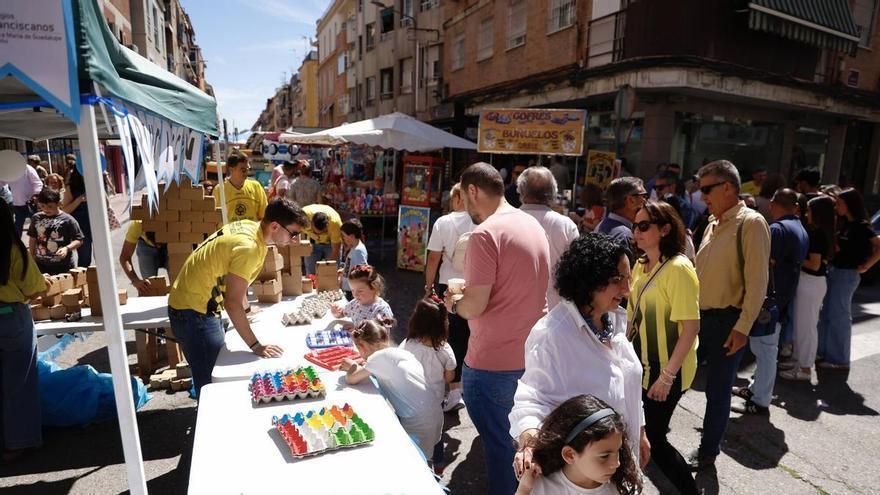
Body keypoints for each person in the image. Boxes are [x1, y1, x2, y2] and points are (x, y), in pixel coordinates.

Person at [443, 162, 550, 495]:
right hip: (532, 357)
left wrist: (452, 303)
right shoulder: (532, 224)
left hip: (493, 363)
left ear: (472, 191)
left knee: (505, 453)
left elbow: (475, 304)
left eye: (463, 196)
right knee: (522, 449)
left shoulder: (485, 233)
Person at [510, 234, 648, 484]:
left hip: (620, 464)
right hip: (583, 478)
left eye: (628, 279)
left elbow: (626, 382)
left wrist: (639, 430)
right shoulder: (552, 334)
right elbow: (532, 399)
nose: (627, 290)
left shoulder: (612, 319)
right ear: (590, 280)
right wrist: (529, 442)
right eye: (618, 280)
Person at [167, 198, 308, 396]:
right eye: (293, 233)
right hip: (194, 314)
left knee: (213, 379)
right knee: (214, 387)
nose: (295, 239)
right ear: (275, 226)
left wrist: (247, 309)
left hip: (191, 306)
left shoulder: (251, 228)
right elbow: (232, 302)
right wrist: (256, 345)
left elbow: (232, 279)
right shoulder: (249, 248)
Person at [690, 160, 770, 470]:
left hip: (728, 322)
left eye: (706, 189)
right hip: (699, 318)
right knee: (678, 378)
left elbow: (758, 282)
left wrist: (742, 328)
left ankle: (708, 452)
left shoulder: (751, 223)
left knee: (718, 391)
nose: (702, 195)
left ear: (728, 187)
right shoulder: (712, 222)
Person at [628, 200, 699, 494]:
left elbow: (691, 328)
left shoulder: (679, 268)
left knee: (655, 438)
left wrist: (667, 376)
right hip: (641, 364)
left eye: (644, 226)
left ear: (666, 229)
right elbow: (634, 315)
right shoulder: (641, 264)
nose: (637, 231)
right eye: (635, 225)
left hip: (667, 371)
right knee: (636, 432)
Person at [732, 188, 807, 416]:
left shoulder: (777, 229)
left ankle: (760, 400)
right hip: (782, 297)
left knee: (764, 350)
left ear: (773, 204)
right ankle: (756, 390)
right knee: (765, 349)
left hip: (770, 299)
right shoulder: (799, 227)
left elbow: (761, 264)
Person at [343, 318, 442, 460]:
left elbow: (351, 379)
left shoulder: (378, 358)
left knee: (417, 463)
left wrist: (351, 366)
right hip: (432, 412)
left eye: (358, 348)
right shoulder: (398, 353)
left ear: (362, 345)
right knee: (425, 457)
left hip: (418, 422)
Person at [515, 395, 642, 495]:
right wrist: (524, 489)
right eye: (604, 456)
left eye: (618, 450)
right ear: (569, 455)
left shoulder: (624, 486)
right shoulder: (539, 486)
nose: (617, 463)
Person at [0, 198, 47, 462]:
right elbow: (35, 289)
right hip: (11, 317)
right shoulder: (14, 250)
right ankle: (19, 442)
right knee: (20, 381)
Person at [816, 189, 880, 369]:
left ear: (849, 204)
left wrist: (867, 265)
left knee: (839, 315)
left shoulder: (861, 226)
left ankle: (839, 359)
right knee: (827, 312)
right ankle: (825, 352)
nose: (837, 207)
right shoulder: (846, 224)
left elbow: (878, 246)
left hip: (846, 274)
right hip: (836, 271)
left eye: (839, 203)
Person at [424, 182, 473, 410]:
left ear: (455, 199)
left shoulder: (444, 222)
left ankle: (455, 392)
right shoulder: (482, 221)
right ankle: (469, 388)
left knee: (452, 336)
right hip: (477, 284)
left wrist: (428, 286)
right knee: (473, 335)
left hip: (449, 286)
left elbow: (434, 258)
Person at [780, 195, 835, 381]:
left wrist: (791, 258)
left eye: (809, 210)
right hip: (812, 283)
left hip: (811, 282)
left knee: (807, 328)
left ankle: (804, 368)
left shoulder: (818, 233)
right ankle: (800, 362)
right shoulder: (822, 232)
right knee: (803, 326)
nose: (806, 213)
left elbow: (814, 264)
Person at [400, 297, 457, 475]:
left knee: (412, 431)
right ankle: (438, 467)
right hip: (435, 400)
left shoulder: (408, 344)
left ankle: (416, 464)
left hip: (411, 399)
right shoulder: (444, 350)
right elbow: (450, 377)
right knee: (436, 434)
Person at [517, 166, 579, 309]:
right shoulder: (566, 225)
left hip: (514, 311)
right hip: (556, 311)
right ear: (553, 193)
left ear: (521, 192)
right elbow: (576, 272)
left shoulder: (504, 222)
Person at [28, 188, 84, 275]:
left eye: (50, 206)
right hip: (41, 265)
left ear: (58, 203)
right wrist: (32, 257)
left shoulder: (68, 219)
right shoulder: (36, 218)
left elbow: (79, 240)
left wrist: (66, 248)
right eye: (42, 206)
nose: (46, 209)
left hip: (63, 265)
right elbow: (32, 238)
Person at [212, 153, 268, 223]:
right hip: (228, 233)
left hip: (251, 233)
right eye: (243, 170)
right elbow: (213, 218)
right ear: (231, 169)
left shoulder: (256, 187)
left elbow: (265, 216)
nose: (247, 173)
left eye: (248, 169)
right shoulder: (219, 190)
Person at [595, 177, 648, 248]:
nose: (646, 200)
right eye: (644, 196)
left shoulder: (601, 225)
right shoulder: (624, 235)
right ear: (631, 200)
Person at [119, 220, 167, 296]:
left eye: (160, 244)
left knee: (177, 279)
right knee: (149, 285)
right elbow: (125, 257)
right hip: (145, 245)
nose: (158, 246)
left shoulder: (175, 222)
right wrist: (135, 280)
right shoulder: (137, 224)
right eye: (156, 244)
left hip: (170, 243)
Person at [0, 157, 42, 237]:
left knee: (37, 224)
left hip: (30, 202)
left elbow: (37, 182)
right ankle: (19, 246)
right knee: (18, 226)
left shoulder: (27, 168)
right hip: (17, 203)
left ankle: (41, 243)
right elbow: (1, 182)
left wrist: (36, 195)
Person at [60, 169, 92, 267]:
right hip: (81, 226)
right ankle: (84, 280)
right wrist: (79, 200)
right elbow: (65, 210)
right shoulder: (71, 187)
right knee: (85, 257)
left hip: (97, 223)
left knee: (103, 255)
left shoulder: (96, 182)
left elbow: (106, 204)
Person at [302, 203, 343, 274]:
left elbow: (335, 250)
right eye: (314, 232)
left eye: (321, 233)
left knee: (332, 272)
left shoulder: (335, 224)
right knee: (311, 274)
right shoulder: (302, 217)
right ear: (311, 222)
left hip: (330, 245)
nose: (318, 235)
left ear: (327, 226)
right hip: (312, 243)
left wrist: (328, 271)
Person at [338, 219, 368, 301]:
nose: (343, 239)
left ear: (351, 236)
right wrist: (344, 270)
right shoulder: (354, 248)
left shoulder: (358, 251)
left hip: (352, 291)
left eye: (344, 236)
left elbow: (361, 271)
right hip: (349, 288)